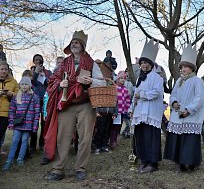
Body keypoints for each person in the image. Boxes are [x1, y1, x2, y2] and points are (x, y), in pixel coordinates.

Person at [45, 30, 106, 181]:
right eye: (72, 43)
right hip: (67, 103)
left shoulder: (91, 63)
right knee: (63, 136)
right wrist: (60, 83)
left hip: (86, 103)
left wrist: (91, 81)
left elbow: (103, 82)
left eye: (77, 42)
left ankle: (80, 168)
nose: (74, 45)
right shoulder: (64, 63)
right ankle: (58, 169)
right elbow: (53, 80)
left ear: (83, 46)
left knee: (85, 137)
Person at [164, 44, 204, 172]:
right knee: (178, 138)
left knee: (189, 140)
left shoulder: (197, 81)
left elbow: (199, 98)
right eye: (182, 67)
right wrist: (174, 102)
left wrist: (189, 110)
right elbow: (174, 94)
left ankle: (190, 162)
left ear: (192, 68)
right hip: (178, 114)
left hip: (191, 115)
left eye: (186, 66)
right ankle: (179, 162)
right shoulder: (179, 81)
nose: (183, 69)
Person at [129, 38, 164, 173]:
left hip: (151, 112)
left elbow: (156, 93)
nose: (143, 65)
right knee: (141, 137)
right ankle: (143, 160)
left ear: (150, 64)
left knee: (151, 137)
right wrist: (132, 108)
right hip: (139, 112)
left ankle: (152, 163)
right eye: (141, 63)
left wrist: (141, 95)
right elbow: (135, 95)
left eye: (145, 63)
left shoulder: (157, 78)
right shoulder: (139, 78)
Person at [2, 77, 40, 171]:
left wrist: (35, 126)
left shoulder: (34, 97)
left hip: (28, 124)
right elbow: (12, 111)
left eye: (26, 84)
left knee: (24, 141)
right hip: (18, 124)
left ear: (30, 85)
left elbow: (37, 112)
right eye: (22, 84)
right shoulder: (16, 97)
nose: (24, 86)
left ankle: (20, 158)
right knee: (15, 140)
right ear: (20, 85)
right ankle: (9, 160)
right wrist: (11, 123)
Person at [30, 54, 52, 152]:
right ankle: (32, 145)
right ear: (34, 61)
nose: (38, 61)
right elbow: (31, 83)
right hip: (34, 100)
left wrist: (44, 76)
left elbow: (51, 84)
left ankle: (42, 143)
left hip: (45, 100)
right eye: (36, 60)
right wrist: (36, 73)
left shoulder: (48, 72)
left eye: (39, 59)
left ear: (42, 61)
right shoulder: (31, 72)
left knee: (44, 122)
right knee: (34, 122)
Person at [109, 71, 131, 149]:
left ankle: (115, 140)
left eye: (124, 78)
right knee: (114, 127)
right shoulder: (114, 88)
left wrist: (127, 109)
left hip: (122, 112)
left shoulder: (125, 89)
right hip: (115, 112)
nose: (123, 80)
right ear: (118, 79)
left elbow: (128, 100)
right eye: (121, 78)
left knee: (119, 126)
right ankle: (112, 141)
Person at [0, 61, 19, 143]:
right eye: (1, 69)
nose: (4, 71)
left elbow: (19, 96)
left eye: (5, 69)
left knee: (1, 133)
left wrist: (11, 94)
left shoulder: (13, 81)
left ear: (8, 70)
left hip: (6, 113)